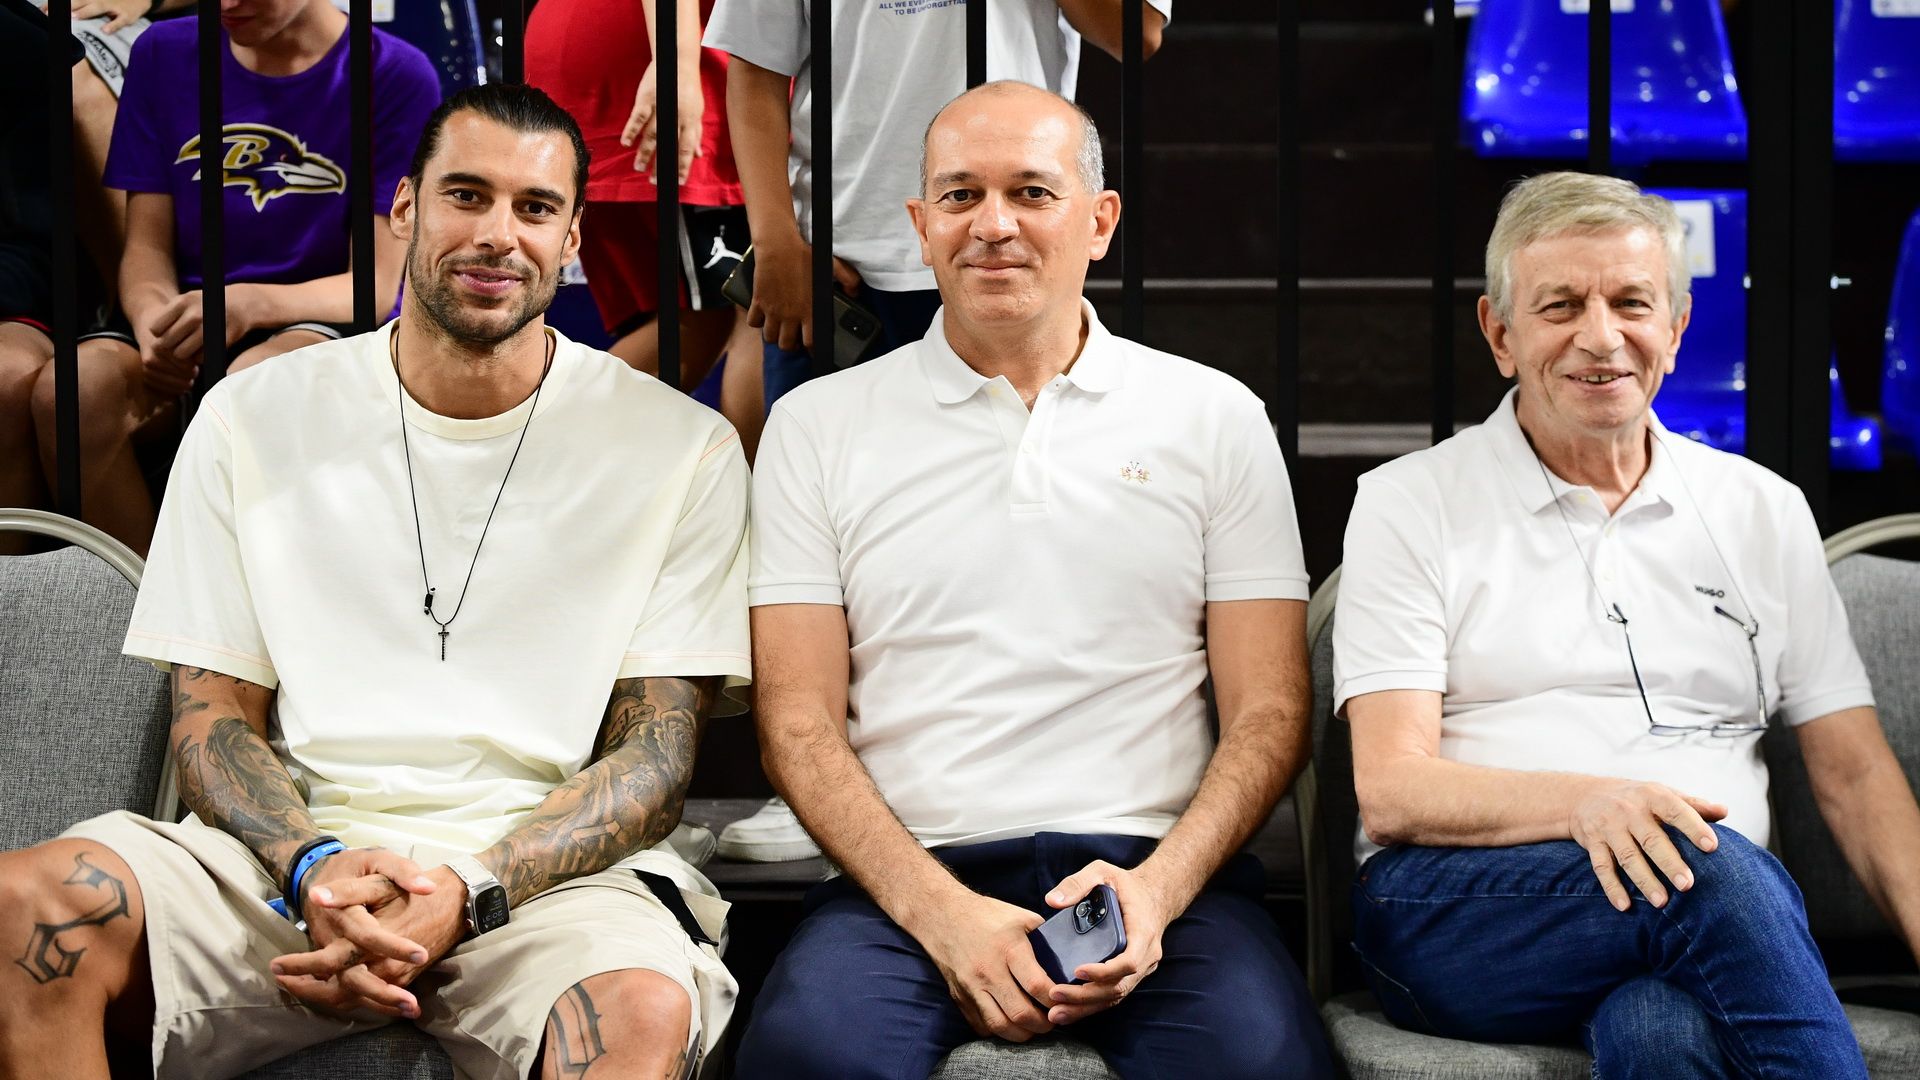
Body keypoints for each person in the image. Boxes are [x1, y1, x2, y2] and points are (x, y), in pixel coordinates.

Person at [0, 83, 750, 1080]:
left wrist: (469, 889)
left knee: (640, 1010)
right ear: (405, 208)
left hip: (541, 888)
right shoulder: (250, 416)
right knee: (25, 908)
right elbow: (210, 717)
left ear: (572, 240)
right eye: (466, 195)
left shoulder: (680, 447)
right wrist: (312, 866)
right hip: (285, 865)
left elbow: (654, 761)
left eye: (534, 208)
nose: (498, 235)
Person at [735, 81, 1332, 1079]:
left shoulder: (1214, 417)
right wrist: (942, 915)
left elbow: (1271, 711)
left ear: (1099, 221)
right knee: (808, 1058)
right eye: (960, 195)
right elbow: (796, 722)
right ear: (921, 226)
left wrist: (1158, 893)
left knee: (1260, 1064)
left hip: (1156, 874)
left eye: (1032, 192)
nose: (993, 224)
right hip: (905, 879)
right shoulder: (817, 427)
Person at [1335, 171, 1920, 1077]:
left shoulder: (1762, 510)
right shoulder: (1410, 503)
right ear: (1500, 334)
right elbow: (1394, 789)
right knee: (1709, 870)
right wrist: (1585, 803)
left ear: (1677, 329)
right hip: (1456, 907)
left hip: (1693, 917)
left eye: (1632, 303)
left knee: (1658, 1029)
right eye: (1561, 305)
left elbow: (1854, 774)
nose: (1601, 336)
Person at [706, 0, 1172, 862]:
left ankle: (1002, 777)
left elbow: (1134, 33)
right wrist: (775, 236)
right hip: (839, 254)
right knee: (819, 547)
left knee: (1003, 534)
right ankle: (814, 784)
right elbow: (755, 68)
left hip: (1003, 239)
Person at [28, 0, 440, 555]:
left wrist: (247, 305)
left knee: (254, 388)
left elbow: (372, 286)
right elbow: (146, 247)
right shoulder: (164, 51)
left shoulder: (394, 74)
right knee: (74, 391)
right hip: (195, 313)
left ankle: (235, 599)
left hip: (313, 316)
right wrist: (153, 320)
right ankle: (138, 598)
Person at [525, 0, 768, 459]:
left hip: (636, 65)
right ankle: (526, 462)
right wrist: (675, 65)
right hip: (663, 70)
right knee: (754, 311)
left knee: (707, 317)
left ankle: (529, 466)